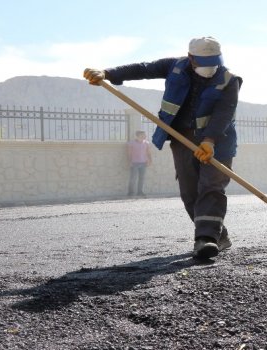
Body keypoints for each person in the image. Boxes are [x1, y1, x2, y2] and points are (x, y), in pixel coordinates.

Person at [83, 37, 242, 259]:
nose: (209, 67)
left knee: (211, 187)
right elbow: (143, 69)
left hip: (219, 141)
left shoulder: (228, 79)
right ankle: (217, 234)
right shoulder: (175, 66)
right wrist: (107, 74)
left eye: (213, 61)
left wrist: (210, 141)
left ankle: (205, 239)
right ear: (190, 58)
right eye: (204, 62)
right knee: (190, 192)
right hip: (182, 137)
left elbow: (224, 113)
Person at [127, 130, 152, 197]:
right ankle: (131, 193)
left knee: (142, 178)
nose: (145, 136)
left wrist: (150, 160)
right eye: (143, 135)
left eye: (144, 135)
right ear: (138, 135)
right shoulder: (131, 143)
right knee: (133, 178)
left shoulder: (146, 143)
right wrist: (129, 162)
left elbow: (148, 152)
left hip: (143, 163)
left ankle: (140, 192)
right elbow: (129, 153)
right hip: (134, 163)